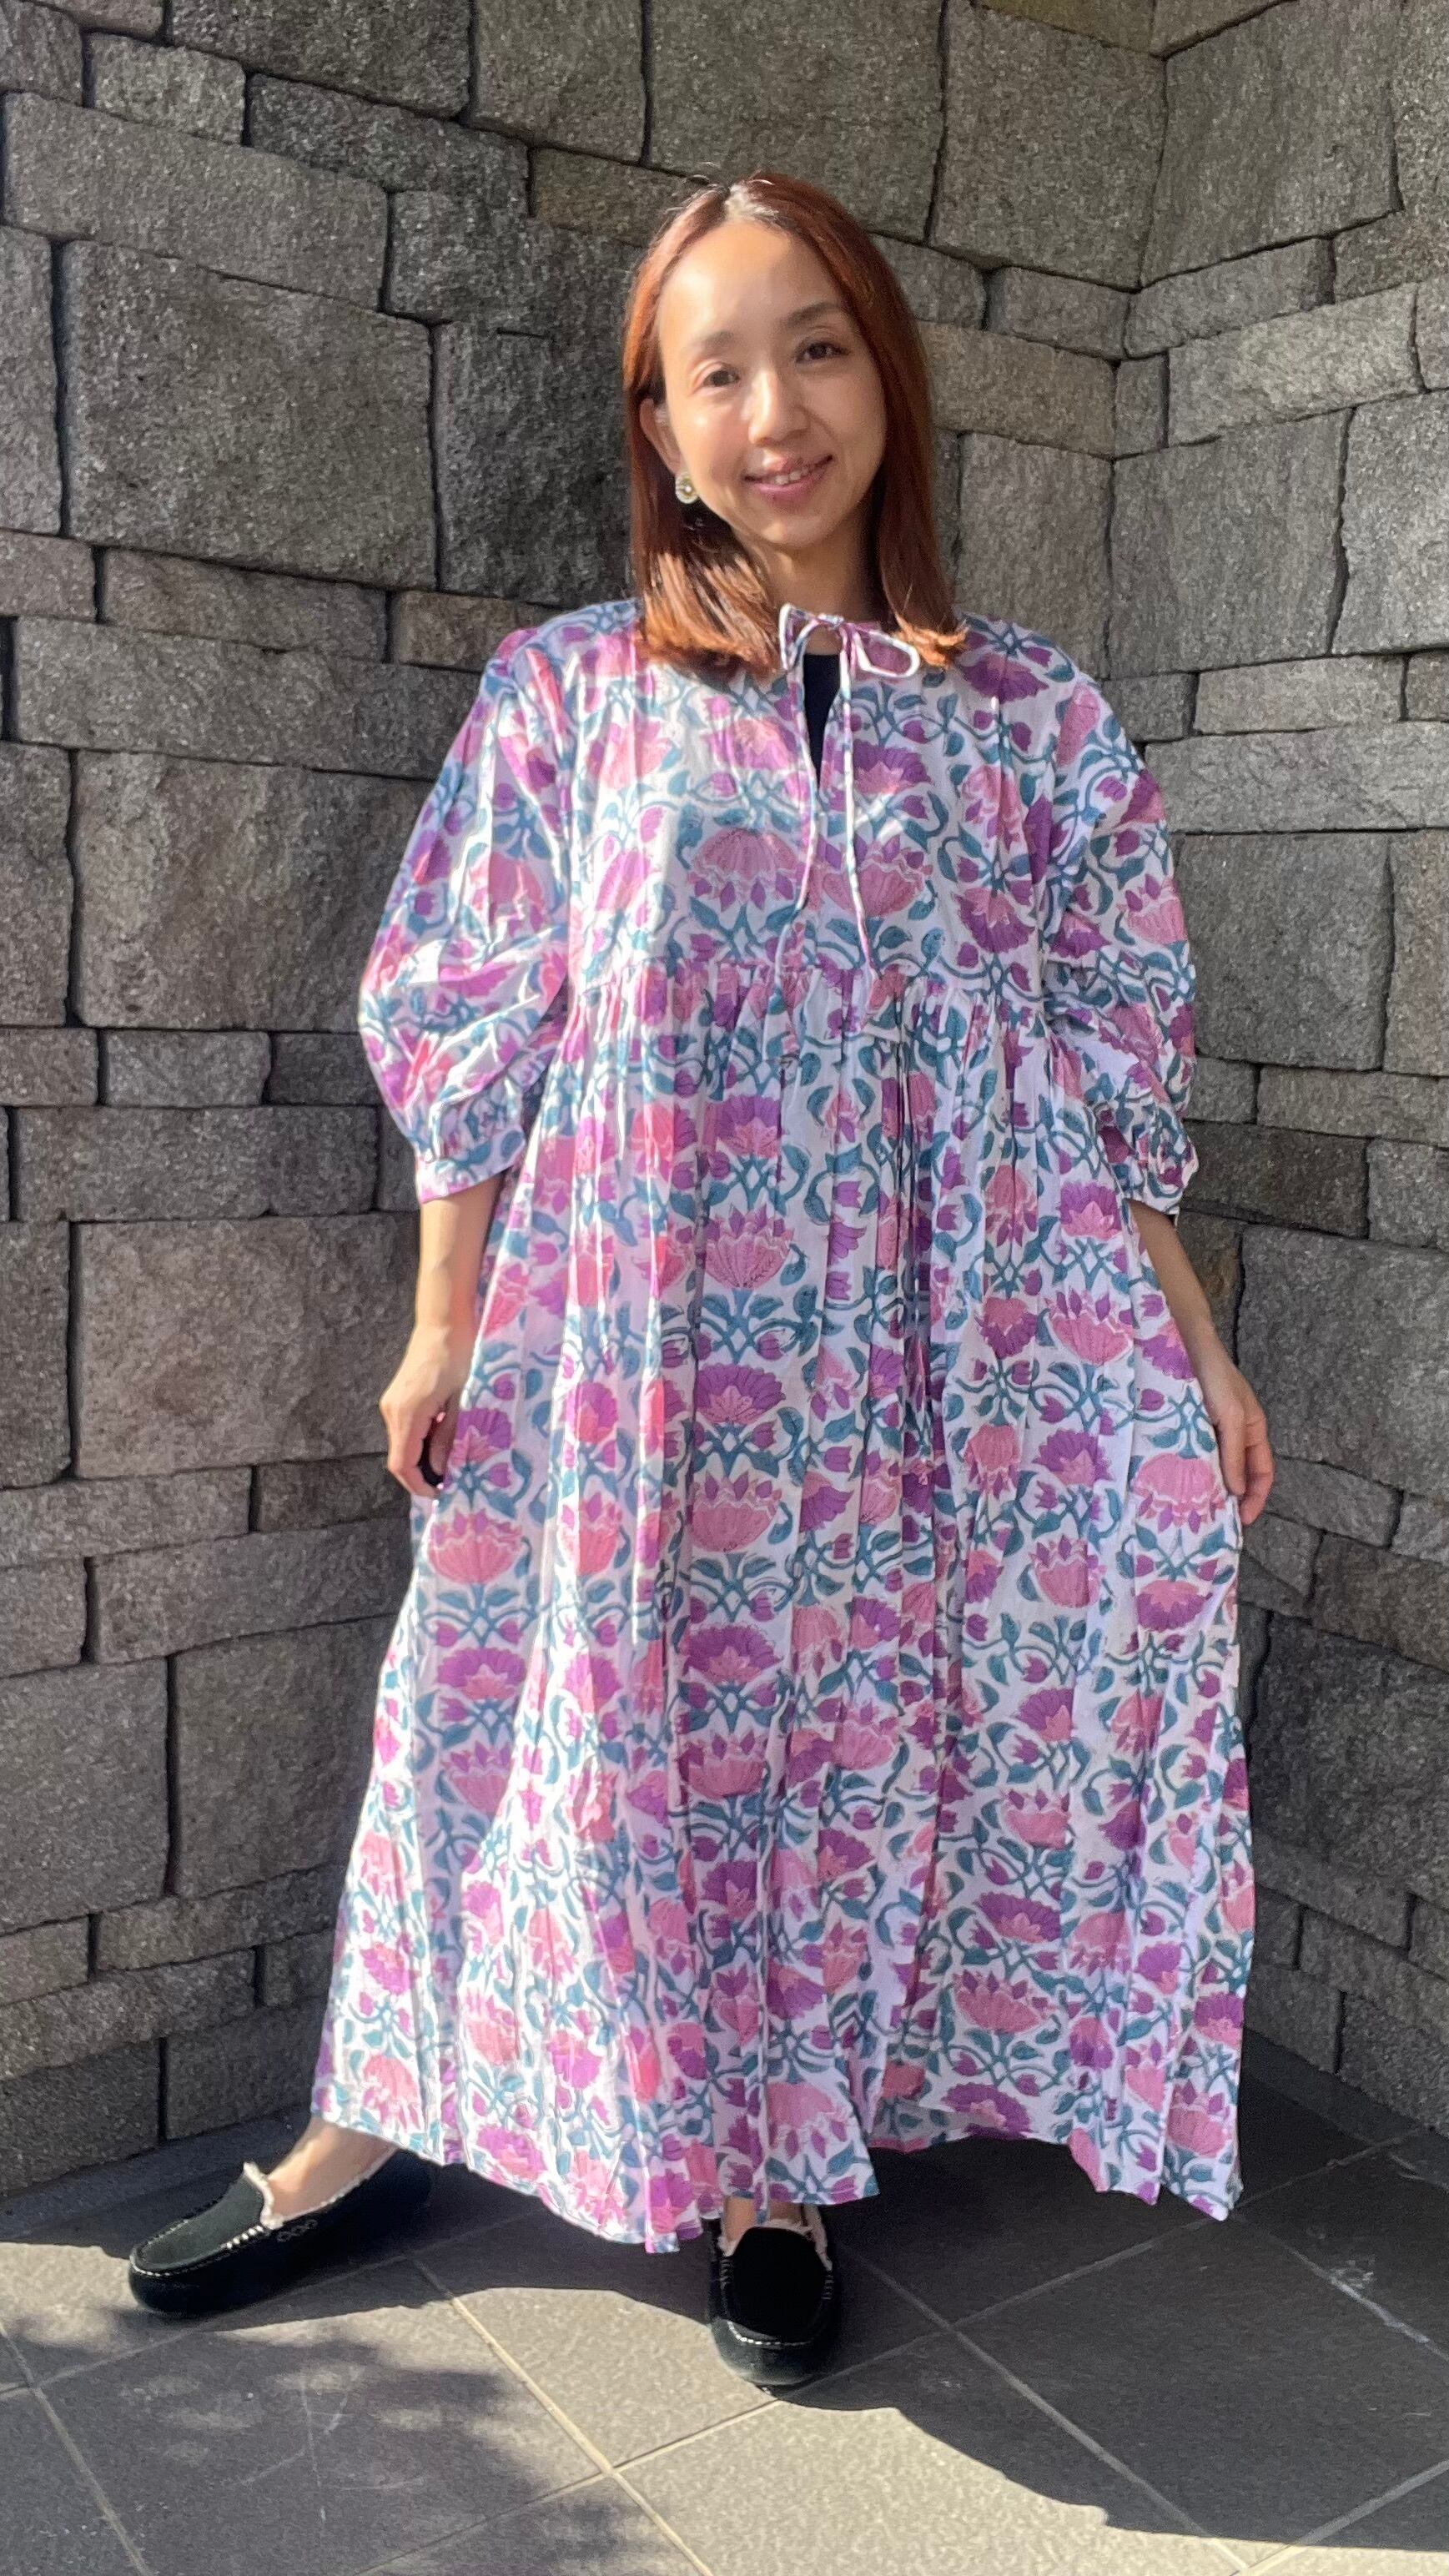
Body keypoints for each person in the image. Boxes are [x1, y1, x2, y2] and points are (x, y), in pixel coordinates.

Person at [128, 169, 1273, 2386]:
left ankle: (774, 2164)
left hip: (918, 1352)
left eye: (816, 347)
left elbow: (1106, 1047)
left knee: (844, 1736)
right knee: (520, 1717)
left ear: (888, 379)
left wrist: (1191, 1347)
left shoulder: (1031, 719)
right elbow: (470, 1012)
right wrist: (442, 1324)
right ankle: (365, 2137)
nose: (775, 412)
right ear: (659, 429)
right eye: (715, 372)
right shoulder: (573, 694)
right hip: (630, 1341)